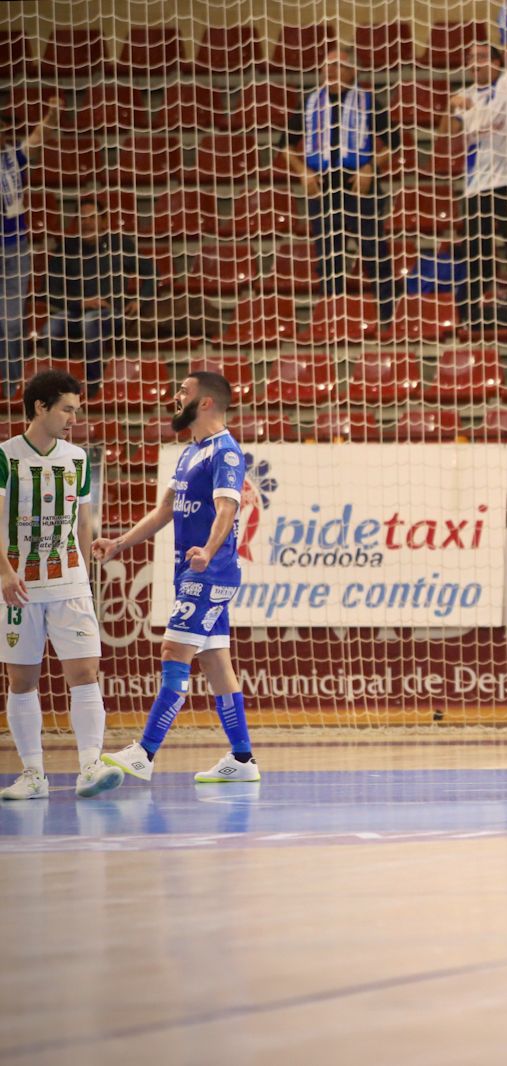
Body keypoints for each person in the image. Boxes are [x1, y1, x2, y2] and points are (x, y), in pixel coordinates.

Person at [95, 371, 256, 784]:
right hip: (193, 569)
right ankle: (242, 761)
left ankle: (144, 753)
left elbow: (227, 510)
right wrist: (120, 542)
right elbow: (164, 510)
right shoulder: (190, 453)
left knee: (172, 652)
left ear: (204, 403)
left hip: (208, 570)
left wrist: (209, 549)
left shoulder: (226, 452)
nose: (175, 396)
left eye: (183, 391)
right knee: (216, 660)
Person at [0, 370, 123, 800]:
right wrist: (3, 571)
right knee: (21, 680)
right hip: (19, 586)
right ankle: (34, 774)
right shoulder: (5, 457)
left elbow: (84, 521)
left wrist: (85, 577)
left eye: (76, 409)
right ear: (41, 407)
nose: (74, 418)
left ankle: (90, 764)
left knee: (85, 673)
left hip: (69, 581)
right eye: (67, 409)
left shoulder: (77, 458)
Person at [280, 49, 396, 325]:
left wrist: (371, 167)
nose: (329, 71)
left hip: (360, 188)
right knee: (328, 259)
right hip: (322, 189)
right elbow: (284, 144)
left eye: (337, 65)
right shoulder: (309, 103)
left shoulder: (368, 102)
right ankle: (334, 320)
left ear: (352, 71)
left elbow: (395, 142)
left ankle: (388, 318)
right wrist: (303, 172)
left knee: (374, 254)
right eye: (326, 65)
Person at [447, 43, 507, 333]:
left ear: (498, 62)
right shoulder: (467, 95)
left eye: (483, 56)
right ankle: (472, 316)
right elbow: (445, 133)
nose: (476, 62)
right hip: (477, 185)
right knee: (477, 254)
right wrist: (451, 108)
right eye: (471, 57)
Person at [44, 198, 157, 394]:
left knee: (90, 322)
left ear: (104, 221)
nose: (87, 223)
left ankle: (93, 385)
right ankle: (63, 382)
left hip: (111, 312)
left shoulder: (119, 244)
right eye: (82, 218)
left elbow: (151, 273)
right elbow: (50, 291)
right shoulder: (66, 248)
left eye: (92, 217)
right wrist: (81, 303)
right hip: (74, 312)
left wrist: (140, 300)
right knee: (49, 329)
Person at [1, 97, 62, 396]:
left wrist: (52, 114)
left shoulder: (13, 157)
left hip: (14, 250)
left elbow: (40, 137)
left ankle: (10, 388)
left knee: (11, 324)